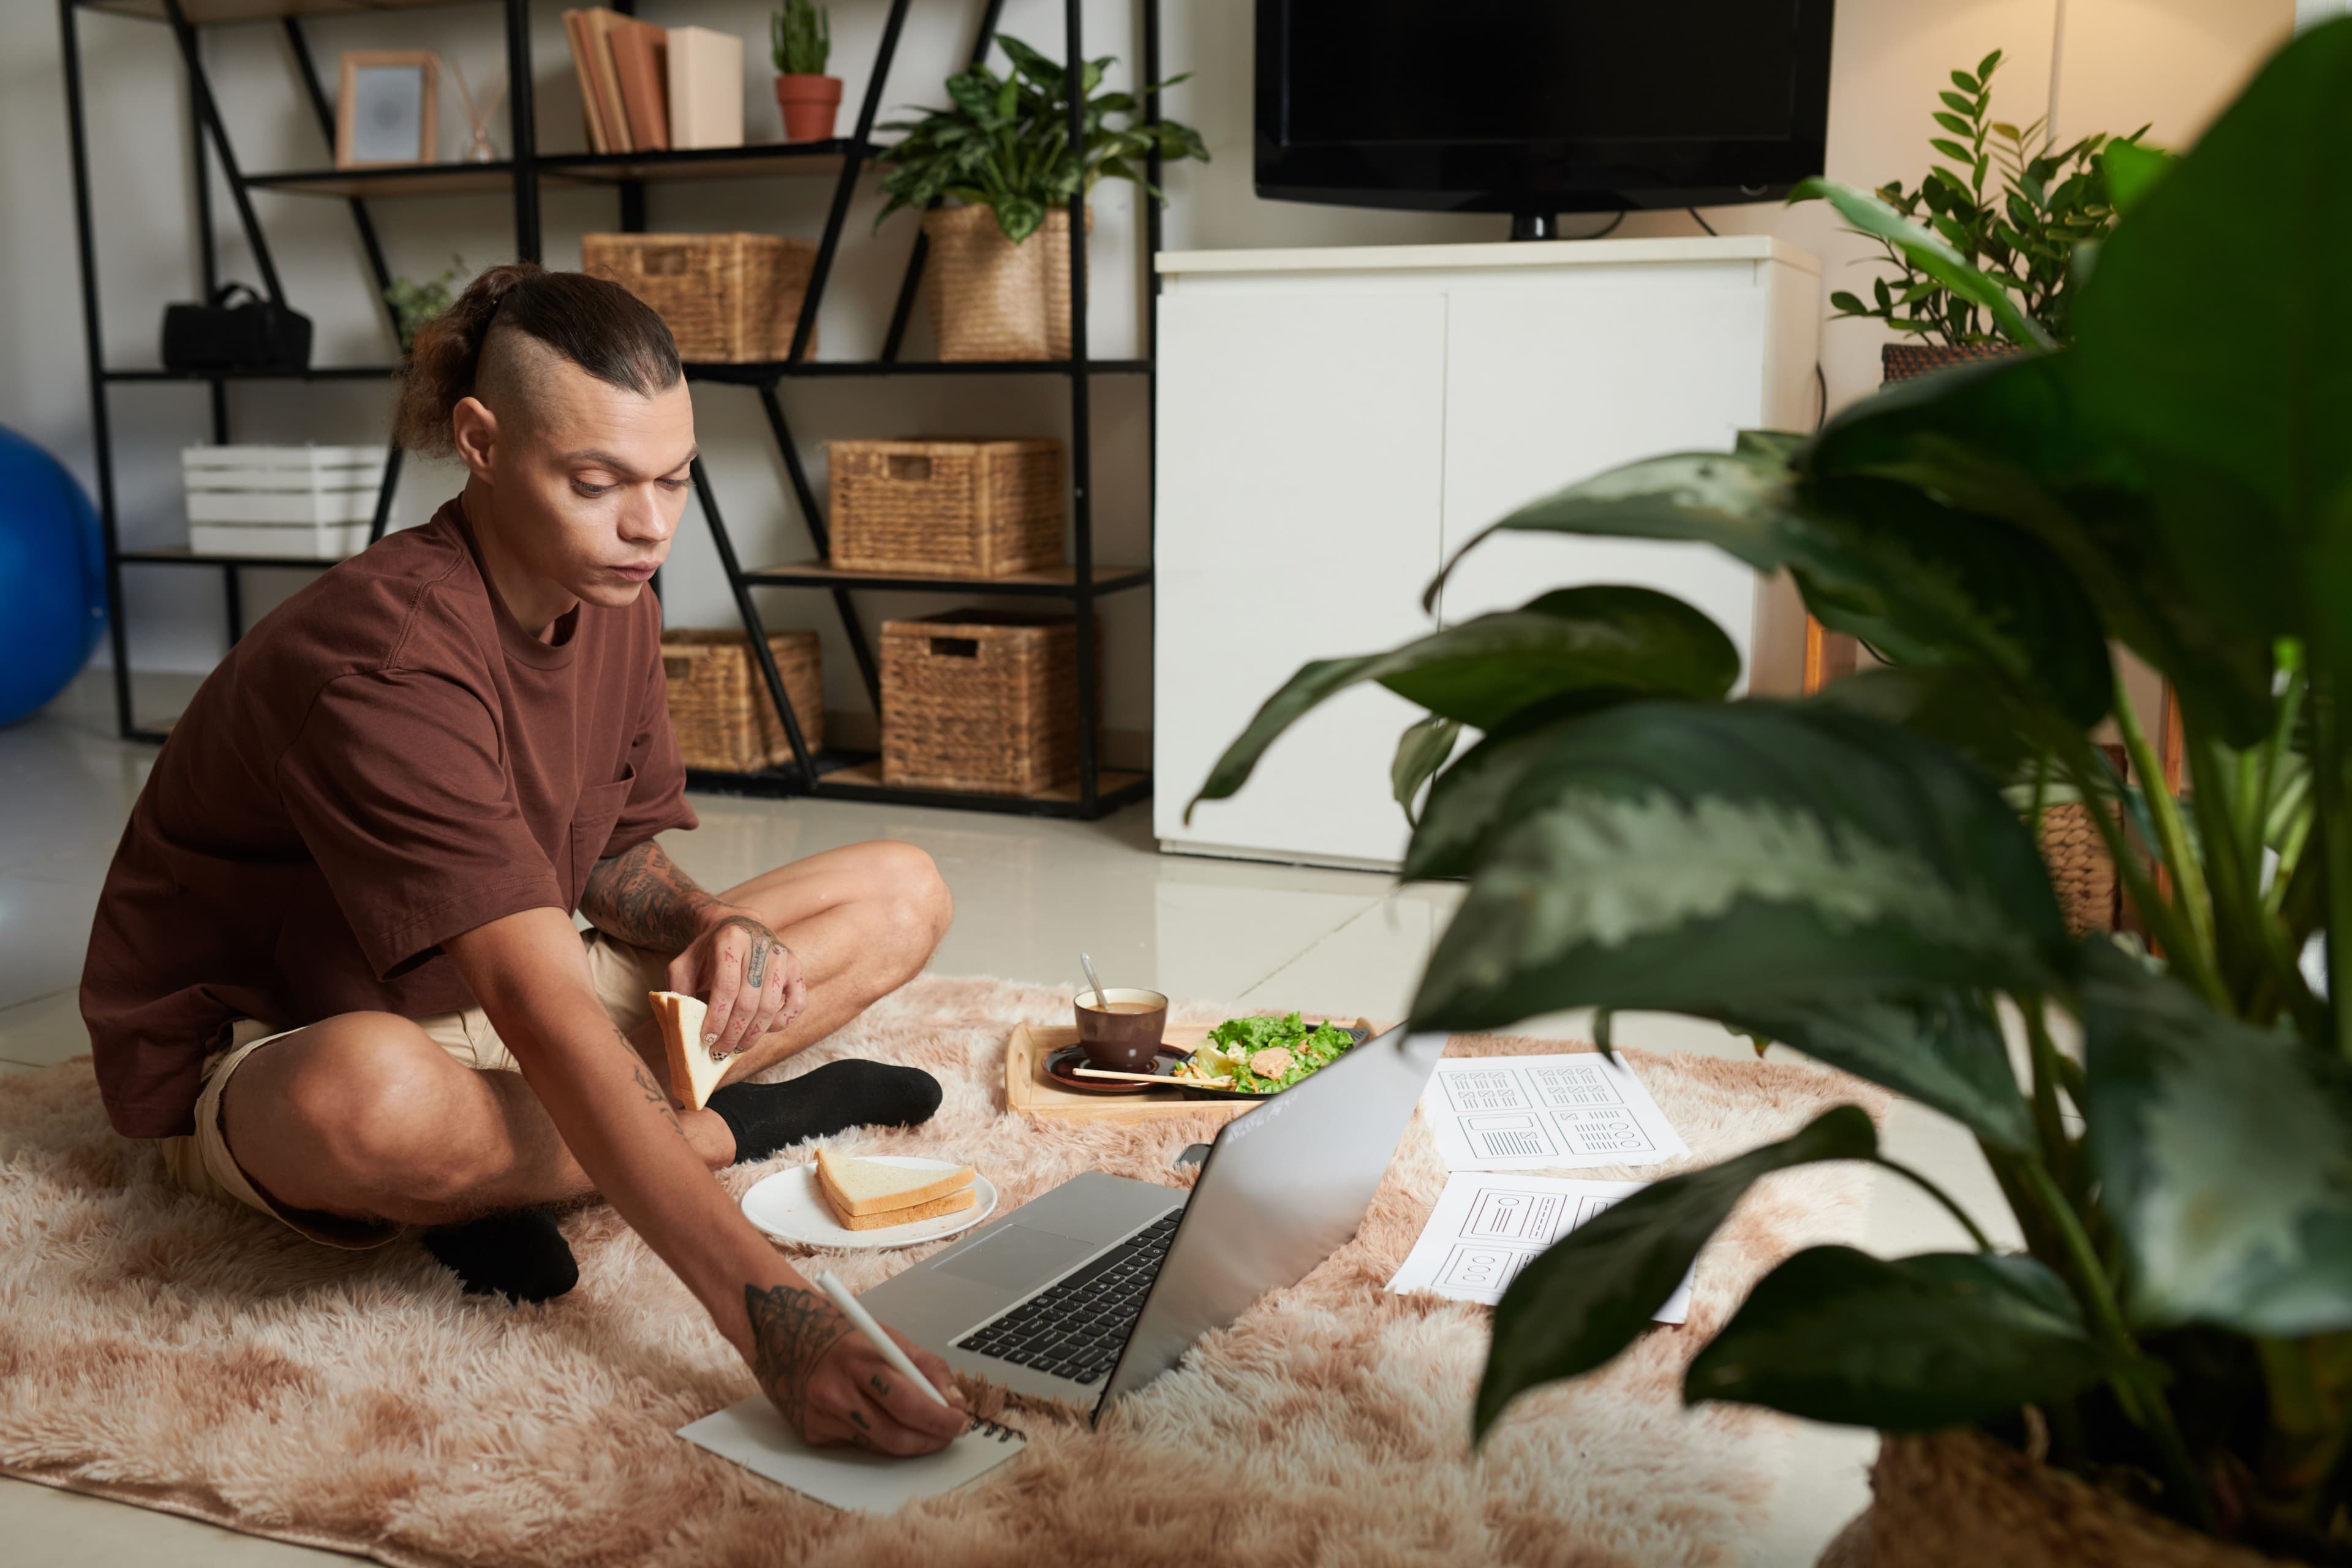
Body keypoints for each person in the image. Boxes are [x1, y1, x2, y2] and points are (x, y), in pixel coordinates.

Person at [79, 263, 971, 1458]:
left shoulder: (615, 587)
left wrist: (711, 926)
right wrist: (777, 1318)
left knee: (899, 887)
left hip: (515, 978)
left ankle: (520, 1174)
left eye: (673, 479)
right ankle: (715, 1127)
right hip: (294, 1038)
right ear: (481, 442)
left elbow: (605, 853)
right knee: (371, 1103)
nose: (649, 524)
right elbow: (541, 1009)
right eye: (596, 482)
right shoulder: (385, 658)